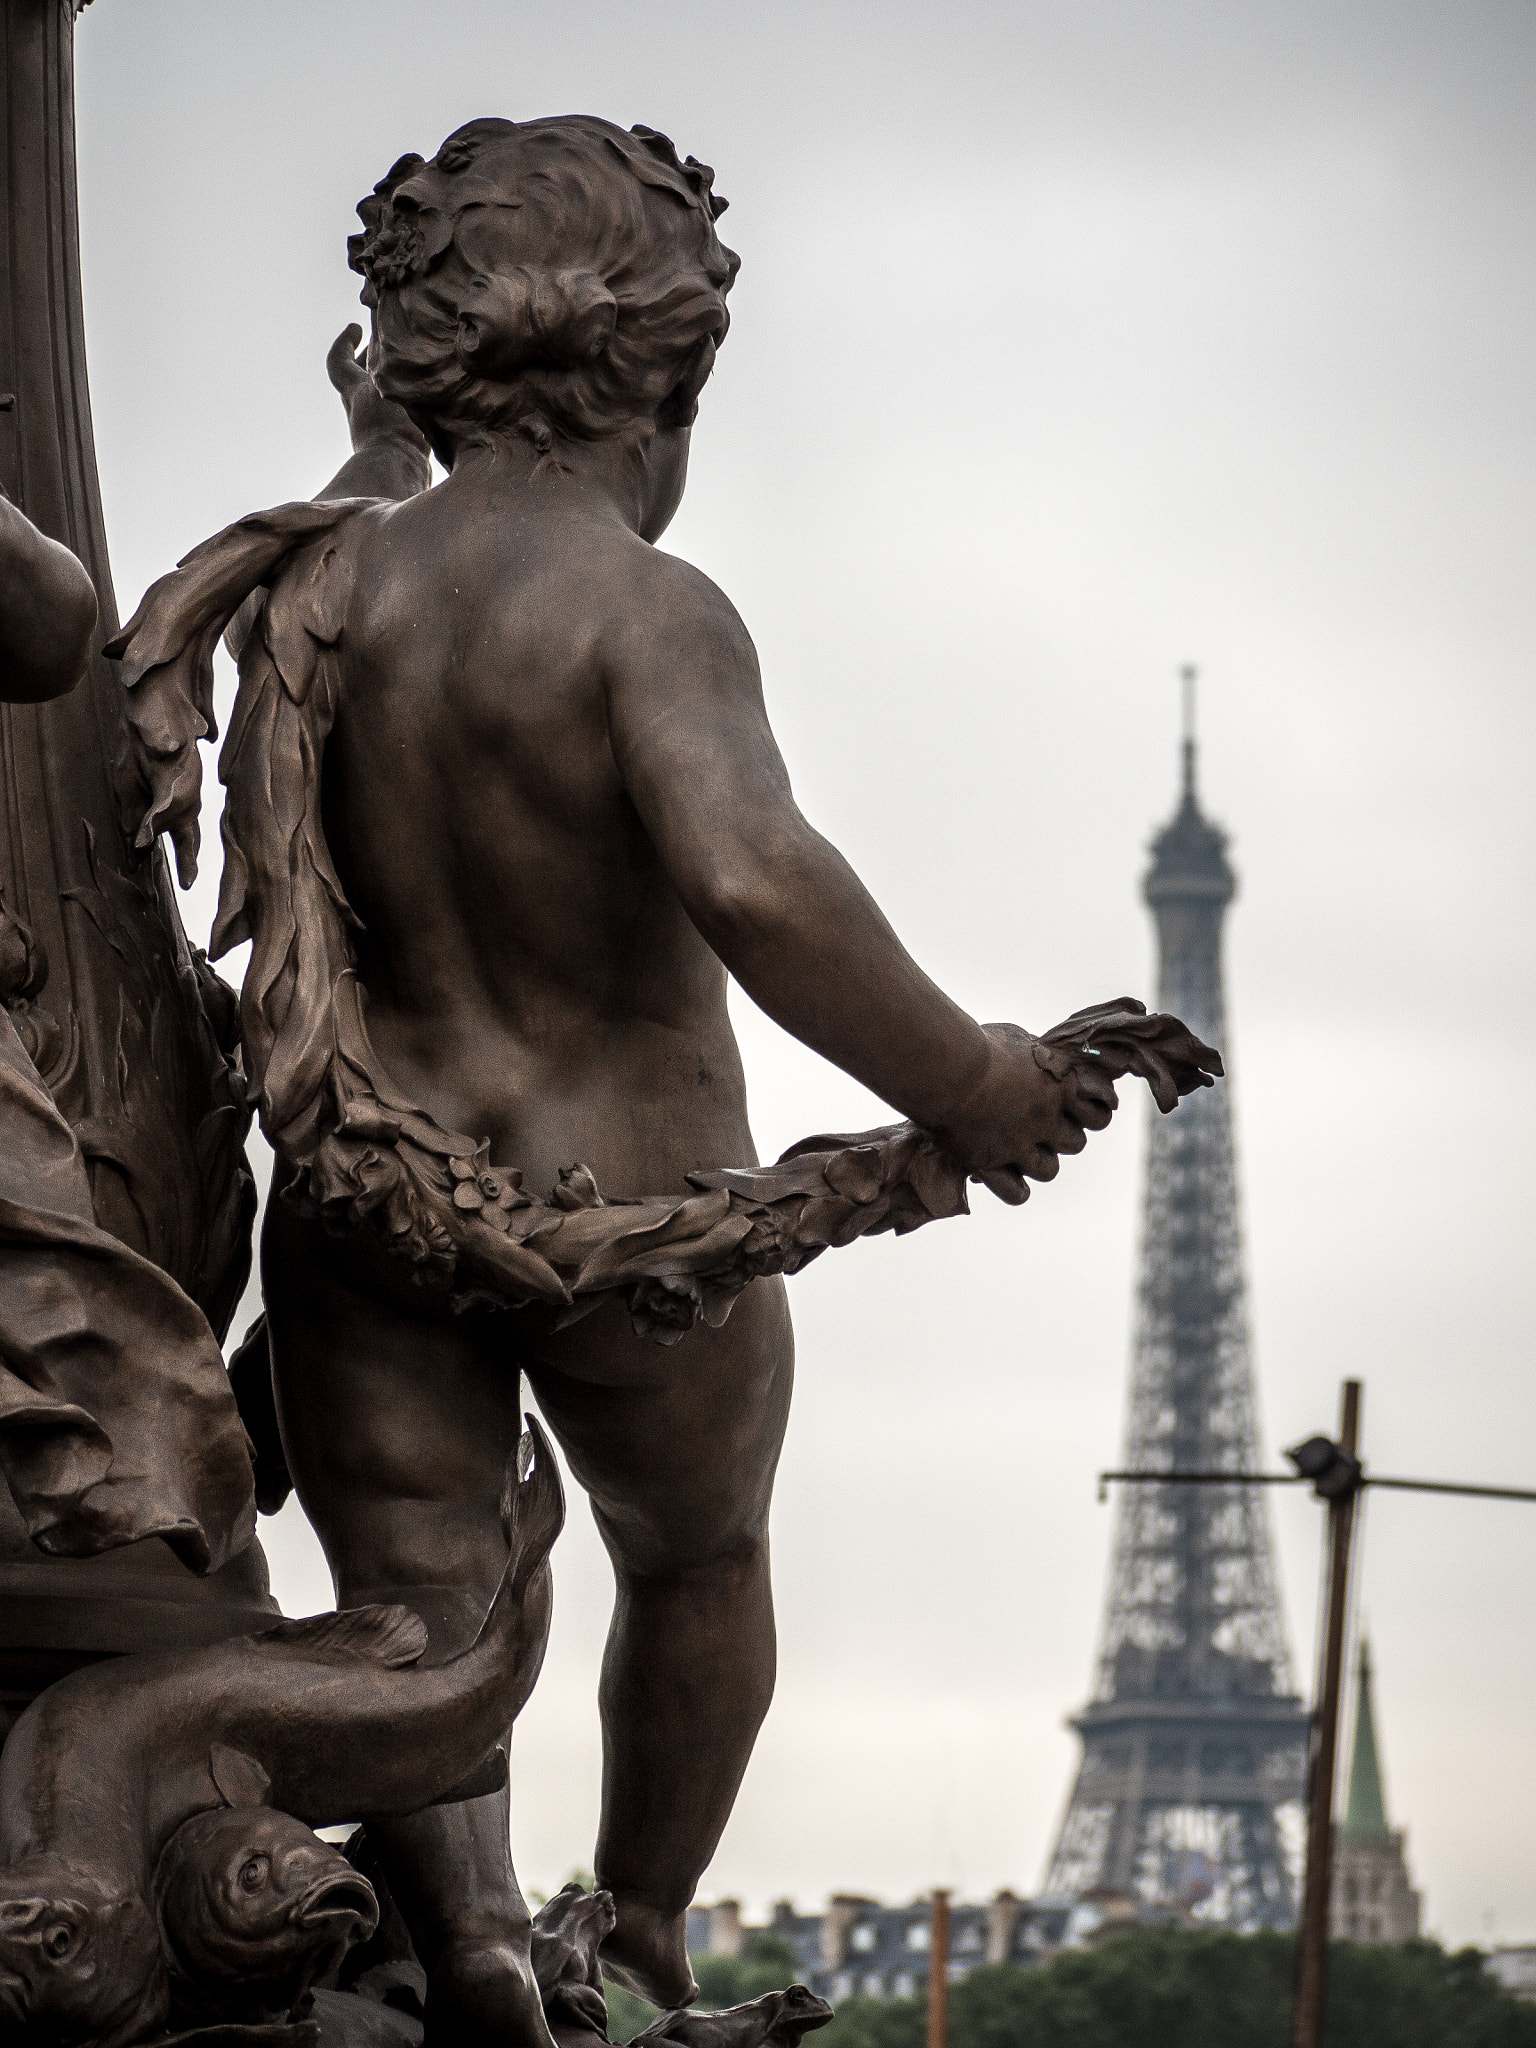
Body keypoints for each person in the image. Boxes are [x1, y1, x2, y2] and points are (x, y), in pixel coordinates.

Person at [113, 117, 1124, 2046]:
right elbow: (756, 875)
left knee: (413, 1617)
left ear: (421, 358)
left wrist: (377, 465)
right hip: (638, 1215)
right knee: (697, 1556)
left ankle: (478, 1940)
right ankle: (646, 1924)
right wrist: (970, 1076)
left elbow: (349, 596)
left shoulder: (335, 593)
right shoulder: (651, 610)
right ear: (669, 378)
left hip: (373, 1198)